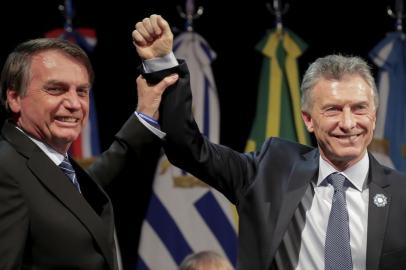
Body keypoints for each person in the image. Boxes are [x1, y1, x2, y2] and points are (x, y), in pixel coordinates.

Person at [133, 15, 406, 270]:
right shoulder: (270, 171)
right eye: (333, 110)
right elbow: (188, 149)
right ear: (308, 119)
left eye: (359, 108)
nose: (348, 123)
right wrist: (161, 63)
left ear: (374, 114)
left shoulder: (401, 194)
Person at [0, 37, 178, 269]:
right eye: (56, 89)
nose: (74, 103)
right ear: (14, 98)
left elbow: (80, 190)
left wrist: (143, 115)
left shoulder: (49, 164)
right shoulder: (5, 170)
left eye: (82, 91)